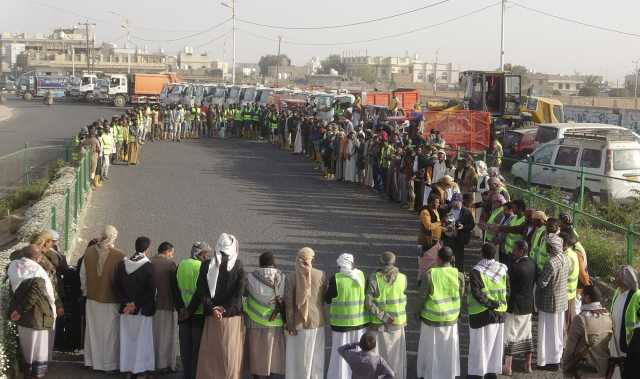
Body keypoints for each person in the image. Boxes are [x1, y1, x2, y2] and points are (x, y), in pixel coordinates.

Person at [188, 233, 245, 379]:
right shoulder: (238, 266)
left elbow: (202, 290)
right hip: (231, 319)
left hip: (211, 317)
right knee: (229, 357)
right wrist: (224, 309)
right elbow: (238, 295)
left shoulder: (207, 265)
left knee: (210, 357)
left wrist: (212, 308)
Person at [80, 225, 125, 373]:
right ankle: (108, 365)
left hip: (92, 299)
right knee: (110, 333)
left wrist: (86, 292)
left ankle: (91, 361)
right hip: (111, 300)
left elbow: (83, 276)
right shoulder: (120, 255)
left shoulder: (89, 251)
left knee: (93, 331)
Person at [8, 245, 57, 379]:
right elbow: (37, 293)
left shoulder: (13, 266)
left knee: (26, 345)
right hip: (37, 313)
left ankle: (27, 371)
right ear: (37, 257)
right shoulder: (37, 270)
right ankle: (36, 374)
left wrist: (18, 310)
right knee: (38, 347)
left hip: (21, 314)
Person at [417, 246, 464, 379]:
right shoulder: (458, 275)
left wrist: (417, 312)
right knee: (449, 350)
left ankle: (429, 374)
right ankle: (448, 374)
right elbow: (461, 294)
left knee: (431, 350)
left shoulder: (430, 274)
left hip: (431, 319)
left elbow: (422, 296)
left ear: (438, 258)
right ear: (452, 258)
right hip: (451, 319)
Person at [113, 236, 156, 378]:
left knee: (127, 340)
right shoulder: (148, 266)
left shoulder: (123, 264)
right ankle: (140, 370)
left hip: (125, 310)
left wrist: (126, 303)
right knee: (141, 341)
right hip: (141, 311)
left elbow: (116, 286)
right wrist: (136, 305)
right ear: (147, 249)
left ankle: (127, 369)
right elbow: (151, 291)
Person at [467, 243, 509, 379]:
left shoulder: (476, 271)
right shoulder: (503, 269)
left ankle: (477, 373)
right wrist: (498, 303)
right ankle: (491, 372)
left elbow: (476, 293)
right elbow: (508, 290)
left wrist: (490, 304)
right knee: (494, 345)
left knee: (479, 345)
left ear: (481, 253)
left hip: (481, 313)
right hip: (499, 312)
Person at [284, 247, 327, 379]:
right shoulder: (321, 275)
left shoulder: (291, 277)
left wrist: (289, 323)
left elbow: (289, 303)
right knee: (316, 357)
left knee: (298, 359)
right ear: (311, 259)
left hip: (297, 324)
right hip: (317, 321)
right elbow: (323, 297)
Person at [326, 253, 369, 379]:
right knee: (358, 353)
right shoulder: (360, 275)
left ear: (339, 265)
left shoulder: (336, 278)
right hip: (359, 323)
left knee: (340, 354)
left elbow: (328, 299)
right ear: (352, 263)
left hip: (341, 326)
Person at [365, 252, 407, 379]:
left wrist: (384, 317)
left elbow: (368, 303)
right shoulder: (402, 278)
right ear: (394, 262)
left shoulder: (373, 278)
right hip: (397, 323)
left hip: (378, 325)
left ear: (380, 261)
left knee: (378, 356)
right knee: (396, 357)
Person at [244, 252, 286, 379]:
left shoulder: (250, 277)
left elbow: (245, 295)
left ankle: (256, 376)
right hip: (275, 322)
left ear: (260, 262)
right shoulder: (282, 277)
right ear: (274, 263)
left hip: (255, 320)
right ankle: (270, 375)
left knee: (256, 351)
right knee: (272, 352)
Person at [535, 233, 571, 371]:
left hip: (549, 302)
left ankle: (546, 361)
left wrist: (538, 274)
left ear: (551, 248)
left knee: (547, 333)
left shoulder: (550, 263)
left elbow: (542, 283)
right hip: (561, 301)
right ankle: (557, 357)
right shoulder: (565, 258)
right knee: (557, 332)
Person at [562, 285, 613, 379]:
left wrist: (566, 368)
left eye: (582, 295)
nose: (581, 298)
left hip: (584, 370)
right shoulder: (608, 317)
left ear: (587, 298)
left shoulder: (580, 319)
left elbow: (570, 349)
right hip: (603, 369)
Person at [176, 242, 210, 379]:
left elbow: (175, 289)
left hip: (183, 313)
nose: (208, 257)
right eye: (206, 254)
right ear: (199, 254)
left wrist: (181, 309)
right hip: (198, 313)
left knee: (185, 347)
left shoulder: (181, 264)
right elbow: (200, 292)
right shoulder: (202, 267)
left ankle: (187, 374)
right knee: (197, 348)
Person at [502, 240, 536, 375]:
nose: (512, 252)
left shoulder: (514, 267)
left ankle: (507, 367)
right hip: (528, 305)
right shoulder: (532, 263)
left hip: (514, 305)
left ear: (521, 251)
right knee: (527, 334)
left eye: (515, 250)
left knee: (510, 335)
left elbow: (508, 286)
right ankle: (528, 365)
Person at [150, 241, 178, 373]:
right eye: (172, 253)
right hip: (166, 304)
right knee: (165, 336)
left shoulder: (149, 262)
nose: (172, 256)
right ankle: (164, 364)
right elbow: (175, 287)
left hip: (150, 306)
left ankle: (151, 362)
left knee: (152, 335)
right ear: (167, 252)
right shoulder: (170, 265)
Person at [608, 266, 640, 378]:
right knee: (615, 362)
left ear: (625, 280)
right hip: (615, 336)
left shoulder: (637, 296)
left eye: (618, 277)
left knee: (626, 366)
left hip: (629, 340)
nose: (614, 279)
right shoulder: (617, 291)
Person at [442, 192, 475, 270]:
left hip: (459, 238)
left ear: (461, 202)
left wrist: (463, 227)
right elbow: (441, 220)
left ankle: (459, 274)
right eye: (453, 202)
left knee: (459, 258)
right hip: (448, 237)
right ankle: (447, 272)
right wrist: (444, 224)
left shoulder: (466, 211)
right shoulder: (447, 209)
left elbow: (471, 224)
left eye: (457, 202)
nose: (454, 204)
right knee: (446, 256)